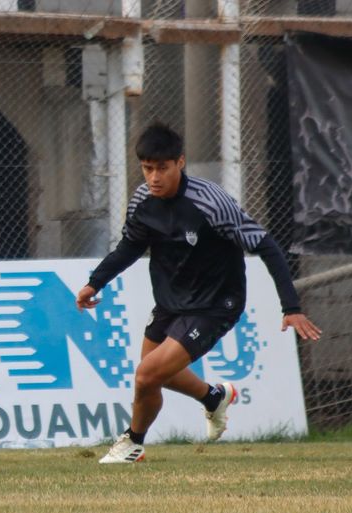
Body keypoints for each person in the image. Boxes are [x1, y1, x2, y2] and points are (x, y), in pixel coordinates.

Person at [75, 122, 321, 464]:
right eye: (147, 169)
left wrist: (290, 306)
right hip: (171, 301)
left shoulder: (211, 202)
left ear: (180, 162)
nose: (154, 177)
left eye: (162, 168)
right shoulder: (142, 201)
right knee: (152, 376)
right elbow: (129, 247)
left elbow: (267, 246)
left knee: (147, 375)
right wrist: (94, 282)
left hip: (216, 304)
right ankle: (213, 397)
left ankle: (132, 444)